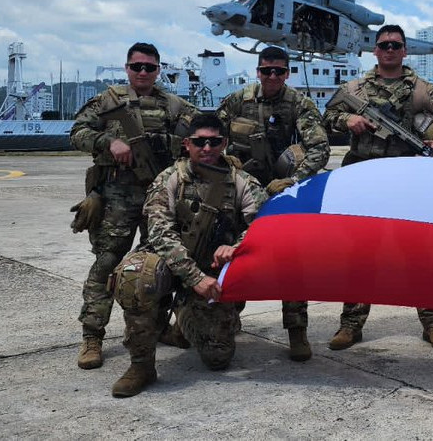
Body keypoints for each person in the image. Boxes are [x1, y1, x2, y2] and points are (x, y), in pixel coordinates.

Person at [110, 113, 267, 397]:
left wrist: (237, 247)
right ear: (187, 144)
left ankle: (185, 316)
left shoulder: (241, 182)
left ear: (225, 144)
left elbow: (265, 224)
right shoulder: (170, 178)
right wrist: (193, 278)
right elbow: (159, 232)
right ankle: (142, 365)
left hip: (212, 268)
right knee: (135, 276)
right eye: (199, 142)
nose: (207, 148)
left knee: (218, 358)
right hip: (170, 261)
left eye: (214, 142)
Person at [322, 24, 433, 351]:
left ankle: (432, 323)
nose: (390, 50)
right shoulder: (356, 88)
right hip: (364, 179)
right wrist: (347, 121)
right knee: (360, 254)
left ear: (405, 50)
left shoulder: (421, 89)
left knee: (419, 253)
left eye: (396, 45)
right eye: (384, 45)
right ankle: (350, 324)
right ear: (375, 50)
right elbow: (327, 116)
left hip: (407, 179)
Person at [70, 42, 198, 370]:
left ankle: (155, 326)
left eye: (150, 67)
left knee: (161, 264)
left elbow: (198, 139)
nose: (143, 72)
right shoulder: (108, 101)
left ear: (159, 70)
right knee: (106, 263)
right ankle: (92, 336)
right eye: (136, 66)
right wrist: (108, 141)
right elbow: (77, 132)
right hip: (116, 196)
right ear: (127, 68)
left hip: (158, 196)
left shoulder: (175, 106)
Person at [216, 45, 331, 361]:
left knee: (292, 264)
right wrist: (226, 163)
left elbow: (319, 148)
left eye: (279, 71)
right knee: (232, 256)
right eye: (267, 70)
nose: (272, 76)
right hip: (239, 195)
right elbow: (213, 136)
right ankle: (227, 321)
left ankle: (297, 332)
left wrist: (293, 180)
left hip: (282, 196)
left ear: (287, 73)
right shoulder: (239, 101)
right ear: (258, 71)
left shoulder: (299, 104)